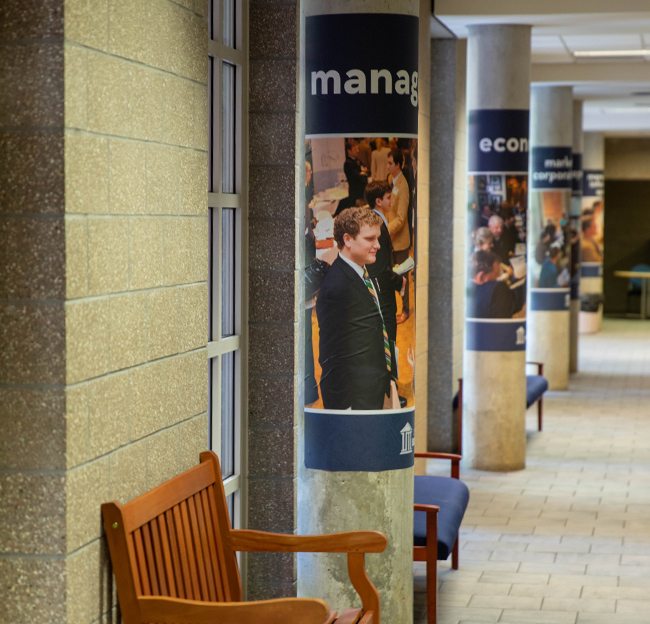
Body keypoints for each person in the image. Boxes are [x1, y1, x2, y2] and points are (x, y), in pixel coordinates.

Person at [316, 207, 392, 410]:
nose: (377, 245)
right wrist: (344, 410)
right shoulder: (336, 287)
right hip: (354, 401)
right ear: (348, 240)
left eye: (378, 238)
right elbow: (331, 357)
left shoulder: (363, 270)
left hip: (371, 387)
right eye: (370, 239)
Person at [365, 181, 406, 375]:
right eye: (389, 198)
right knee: (388, 341)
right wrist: (400, 281)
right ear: (379, 201)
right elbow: (380, 269)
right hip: (383, 294)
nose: (392, 200)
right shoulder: (379, 227)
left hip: (379, 289)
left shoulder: (375, 221)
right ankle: (391, 392)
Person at [387, 148, 411, 323]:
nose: (387, 167)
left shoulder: (403, 186)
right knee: (392, 276)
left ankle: (405, 310)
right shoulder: (391, 180)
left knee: (403, 277)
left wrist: (386, 230)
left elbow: (401, 218)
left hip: (400, 240)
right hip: (391, 239)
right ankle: (393, 309)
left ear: (397, 164)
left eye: (390, 163)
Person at [467, 250, 526, 319]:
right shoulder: (496, 289)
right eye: (496, 274)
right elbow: (515, 302)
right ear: (481, 277)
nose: (499, 275)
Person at [335, 139, 368, 216]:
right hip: (356, 195)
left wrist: (363, 173)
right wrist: (363, 174)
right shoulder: (348, 163)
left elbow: (366, 172)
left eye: (357, 149)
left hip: (362, 192)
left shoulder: (357, 161)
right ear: (349, 151)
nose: (358, 151)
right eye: (355, 149)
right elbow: (358, 178)